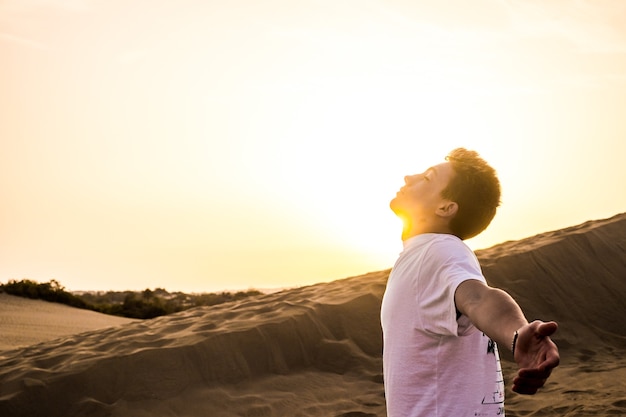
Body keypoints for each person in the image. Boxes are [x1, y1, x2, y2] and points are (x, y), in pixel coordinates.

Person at [380, 148, 560, 417]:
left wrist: (517, 332)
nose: (409, 177)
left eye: (427, 178)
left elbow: (477, 298)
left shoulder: (438, 251)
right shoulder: (427, 254)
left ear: (445, 208)